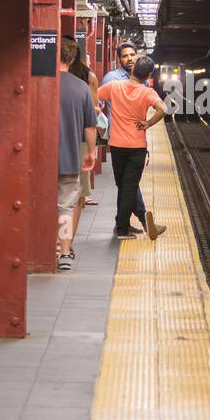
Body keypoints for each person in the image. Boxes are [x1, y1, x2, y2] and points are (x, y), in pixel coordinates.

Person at [98, 55, 167, 242]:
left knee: (124, 186)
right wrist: (147, 124)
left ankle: (129, 224)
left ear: (133, 68)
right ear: (148, 75)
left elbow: (95, 98)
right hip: (137, 147)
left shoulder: (114, 87)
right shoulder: (147, 93)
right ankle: (124, 228)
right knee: (129, 187)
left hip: (117, 145)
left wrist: (99, 117)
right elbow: (163, 109)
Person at [100, 42, 148, 235]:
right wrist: (102, 127)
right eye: (125, 56)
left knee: (125, 184)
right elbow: (97, 103)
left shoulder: (140, 79)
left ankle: (123, 223)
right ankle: (142, 217)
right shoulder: (112, 78)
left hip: (136, 139)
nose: (129, 59)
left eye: (132, 55)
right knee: (128, 183)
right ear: (119, 59)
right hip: (119, 139)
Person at [58, 38, 97, 270]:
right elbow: (90, 128)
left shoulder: (39, 84)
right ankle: (63, 252)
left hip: (38, 161)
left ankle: (44, 245)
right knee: (65, 207)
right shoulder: (81, 87)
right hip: (70, 158)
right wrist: (91, 152)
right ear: (72, 59)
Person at [66, 49, 101, 240]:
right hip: (79, 143)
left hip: (59, 145)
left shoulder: (50, 81)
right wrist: (92, 151)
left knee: (62, 199)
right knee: (74, 196)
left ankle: (59, 244)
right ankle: (65, 245)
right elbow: (92, 120)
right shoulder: (83, 84)